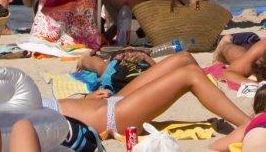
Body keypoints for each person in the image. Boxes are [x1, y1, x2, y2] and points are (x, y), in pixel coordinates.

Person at [52, 51, 253, 140]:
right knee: (190, 75)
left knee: (183, 58)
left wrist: (85, 99)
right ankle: (252, 125)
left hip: (109, 101)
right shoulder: (30, 124)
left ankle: (212, 96)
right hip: (112, 118)